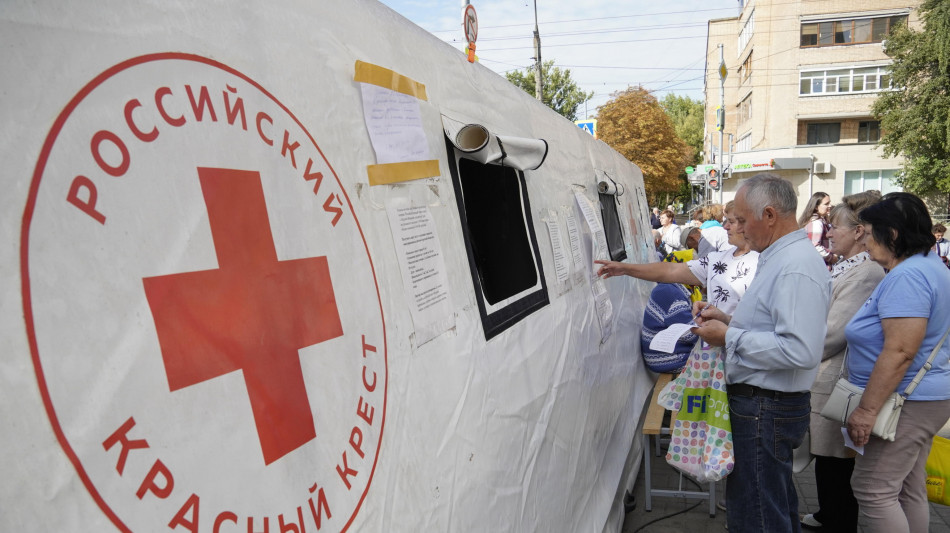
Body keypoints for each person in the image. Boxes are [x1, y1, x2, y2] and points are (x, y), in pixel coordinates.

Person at [691, 173, 831, 533]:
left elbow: (799, 350)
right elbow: (774, 326)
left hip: (765, 407)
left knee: (757, 515)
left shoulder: (795, 265)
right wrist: (727, 320)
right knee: (770, 505)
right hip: (763, 405)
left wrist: (729, 337)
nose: (733, 227)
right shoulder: (778, 257)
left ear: (768, 215)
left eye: (739, 218)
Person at [843, 192, 950, 533]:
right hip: (920, 397)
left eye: (870, 231)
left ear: (892, 234)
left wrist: (866, 410)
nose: (865, 239)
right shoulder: (928, 265)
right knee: (907, 488)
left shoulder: (909, 275)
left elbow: (900, 351)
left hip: (905, 400)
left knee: (873, 489)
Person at [800, 190, 885, 533]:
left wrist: (797, 349)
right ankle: (827, 515)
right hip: (829, 378)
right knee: (827, 460)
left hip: (838, 381)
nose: (829, 232)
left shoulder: (865, 273)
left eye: (835, 227)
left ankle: (837, 521)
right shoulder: (848, 267)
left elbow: (835, 332)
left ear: (859, 232)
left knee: (836, 464)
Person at [596, 200, 758, 319]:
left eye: (731, 222)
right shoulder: (717, 259)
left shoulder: (764, 261)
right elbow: (670, 270)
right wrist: (625, 269)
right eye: (725, 221)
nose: (725, 227)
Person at [799, 192, 837, 268]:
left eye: (830, 203)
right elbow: (815, 247)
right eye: (826, 204)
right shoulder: (816, 223)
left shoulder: (820, 221)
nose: (830, 206)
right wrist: (832, 257)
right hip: (820, 267)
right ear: (816, 207)